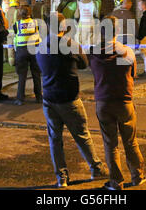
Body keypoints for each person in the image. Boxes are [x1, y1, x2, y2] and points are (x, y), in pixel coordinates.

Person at [36, 12, 108, 188]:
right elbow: (84, 64)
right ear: (63, 26)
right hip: (69, 100)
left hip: (49, 99)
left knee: (55, 139)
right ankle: (96, 168)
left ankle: (62, 177)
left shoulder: (39, 47)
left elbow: (42, 67)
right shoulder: (70, 44)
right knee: (82, 135)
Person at [88, 16, 146, 191]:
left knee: (110, 144)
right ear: (117, 31)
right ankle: (137, 176)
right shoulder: (127, 51)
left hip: (103, 102)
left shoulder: (93, 51)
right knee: (130, 141)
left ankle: (116, 182)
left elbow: (94, 70)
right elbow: (133, 73)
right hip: (124, 101)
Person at [13, 5, 43, 106]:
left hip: (21, 51)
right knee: (36, 74)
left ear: (20, 13)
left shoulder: (17, 24)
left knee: (22, 76)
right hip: (34, 49)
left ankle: (20, 99)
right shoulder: (36, 23)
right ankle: (39, 97)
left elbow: (15, 38)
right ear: (30, 13)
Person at [5, 0, 20, 66]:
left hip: (8, 32)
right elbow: (19, 22)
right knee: (17, 47)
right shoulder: (17, 11)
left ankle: (11, 62)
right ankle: (18, 61)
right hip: (15, 32)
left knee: (10, 47)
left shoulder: (7, 12)